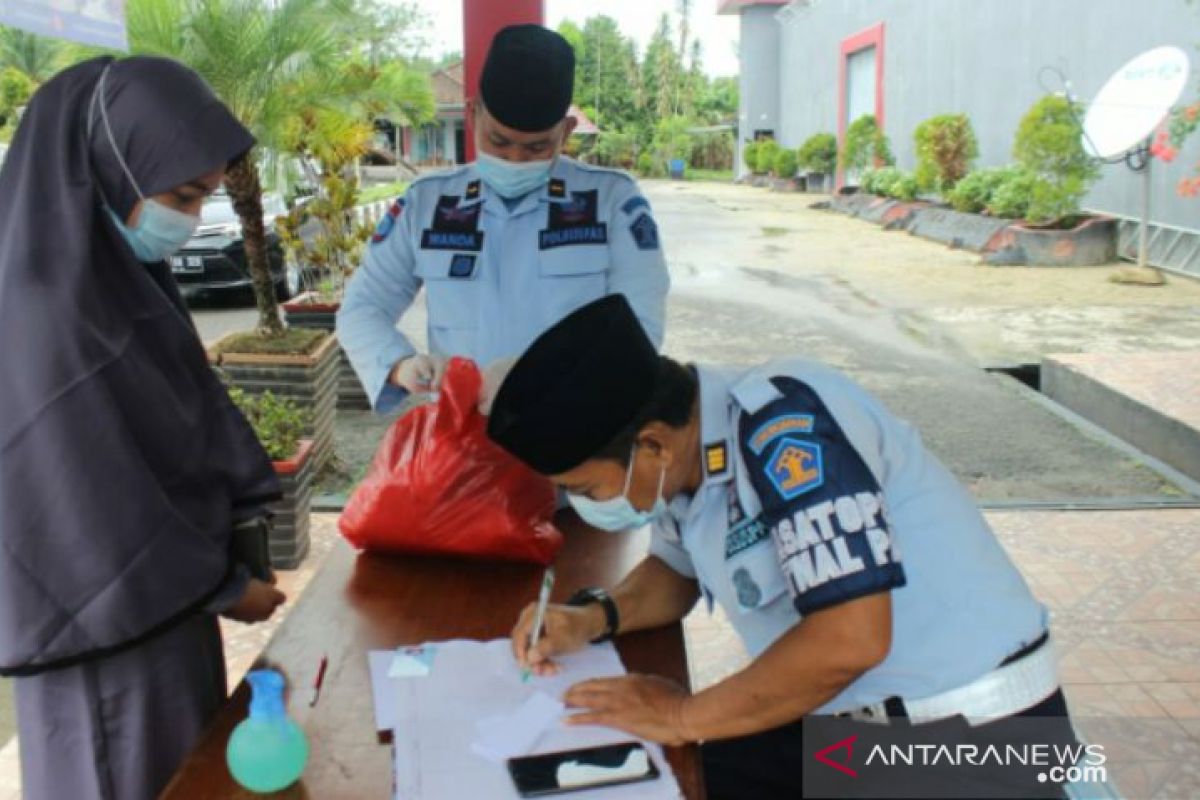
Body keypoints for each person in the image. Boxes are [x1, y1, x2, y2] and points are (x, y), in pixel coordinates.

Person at [487, 295, 1079, 799]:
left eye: (586, 488)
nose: (586, 504)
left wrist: (680, 716)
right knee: (639, 778)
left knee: (668, 757)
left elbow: (851, 640)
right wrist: (590, 618)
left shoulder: (786, 425)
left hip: (972, 741)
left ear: (652, 446)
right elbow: (676, 570)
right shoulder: (690, 454)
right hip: (845, 729)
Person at [0, 56, 287, 799]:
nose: (189, 220)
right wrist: (228, 586)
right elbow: (90, 502)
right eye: (182, 195)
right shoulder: (44, 310)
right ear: (105, 164)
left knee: (180, 772)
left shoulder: (105, 273)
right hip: (99, 626)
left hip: (162, 604)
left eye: (205, 198)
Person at [337, 24, 669, 414]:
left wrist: (546, 376)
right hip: (464, 440)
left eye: (536, 147)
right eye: (498, 141)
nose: (514, 159)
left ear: (566, 132)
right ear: (474, 113)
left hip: (573, 439)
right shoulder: (427, 205)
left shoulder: (611, 202)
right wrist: (399, 365)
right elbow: (362, 309)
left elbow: (639, 331)